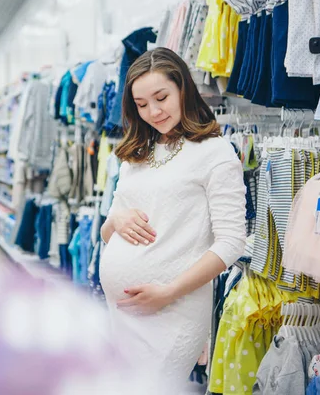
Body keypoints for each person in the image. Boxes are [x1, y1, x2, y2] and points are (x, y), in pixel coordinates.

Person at [99, 47, 246, 392]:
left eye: (161, 97)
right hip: (122, 312)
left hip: (174, 309)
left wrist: (168, 292)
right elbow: (108, 233)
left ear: (183, 89)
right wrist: (116, 219)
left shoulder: (215, 153)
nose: (153, 111)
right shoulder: (136, 154)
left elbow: (231, 242)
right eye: (141, 104)